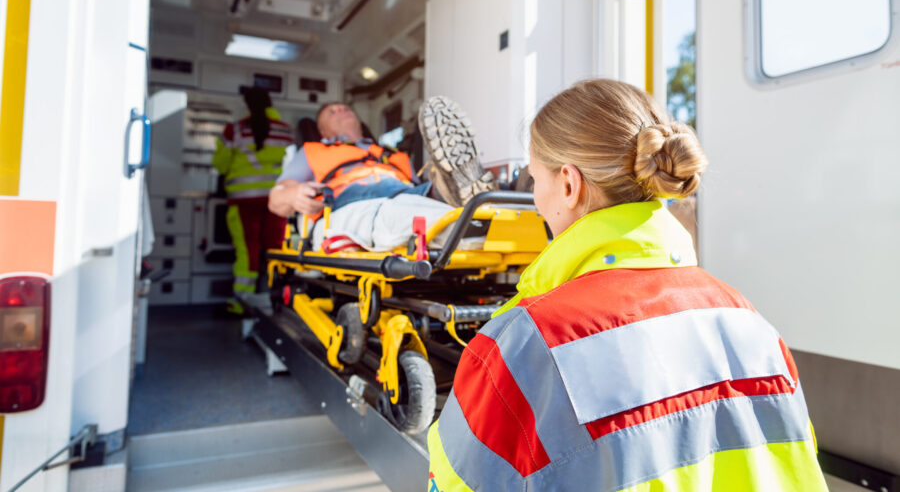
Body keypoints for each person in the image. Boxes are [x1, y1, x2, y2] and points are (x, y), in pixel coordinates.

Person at [427, 79, 827, 491]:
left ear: (568, 184)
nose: (534, 199)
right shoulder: (747, 320)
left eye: (533, 181)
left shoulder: (525, 344)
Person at [268, 99, 495, 219]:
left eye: (345, 108)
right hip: (345, 196)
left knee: (409, 187)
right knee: (387, 186)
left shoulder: (392, 155)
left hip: (404, 190)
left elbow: (414, 186)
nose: (341, 110)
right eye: (332, 111)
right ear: (322, 131)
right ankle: (452, 191)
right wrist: (293, 195)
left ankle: (496, 189)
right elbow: (276, 200)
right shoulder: (313, 150)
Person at [212, 87, 293, 304]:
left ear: (247, 105)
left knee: (248, 250)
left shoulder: (235, 130)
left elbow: (220, 164)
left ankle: (242, 301)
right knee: (276, 248)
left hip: (243, 200)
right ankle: (275, 298)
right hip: (278, 199)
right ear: (270, 103)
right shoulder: (286, 131)